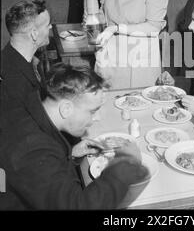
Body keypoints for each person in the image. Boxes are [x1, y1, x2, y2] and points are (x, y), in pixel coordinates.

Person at [0, 63, 148, 210]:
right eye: (92, 111)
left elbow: (42, 179)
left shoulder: (28, 113)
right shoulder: (33, 151)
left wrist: (69, 155)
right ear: (66, 108)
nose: (97, 118)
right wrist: (126, 163)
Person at [0, 0, 52, 114]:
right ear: (34, 34)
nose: (50, 28)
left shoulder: (30, 60)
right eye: (48, 25)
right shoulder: (12, 82)